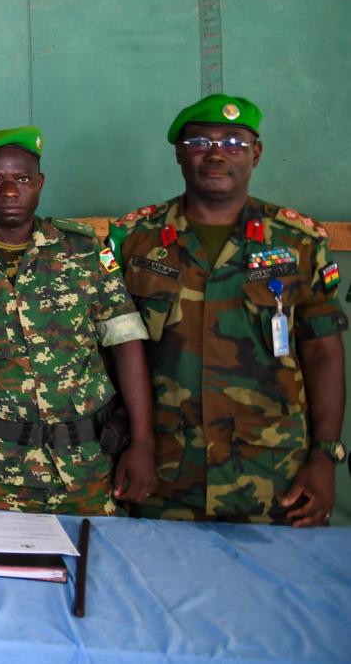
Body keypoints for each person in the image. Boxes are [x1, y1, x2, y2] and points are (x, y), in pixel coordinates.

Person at [110, 94, 347, 525]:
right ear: (179, 154)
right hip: (163, 471)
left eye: (234, 142)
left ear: (257, 153)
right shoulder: (136, 240)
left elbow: (322, 352)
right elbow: (113, 352)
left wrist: (325, 456)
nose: (217, 153)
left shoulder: (297, 241)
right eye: (200, 142)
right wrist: (132, 444)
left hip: (275, 473)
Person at [0, 127, 155, 515]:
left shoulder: (86, 252)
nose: (9, 191)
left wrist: (142, 443)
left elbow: (125, 342)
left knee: (93, 554)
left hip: (88, 464)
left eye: (22, 179)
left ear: (40, 183)